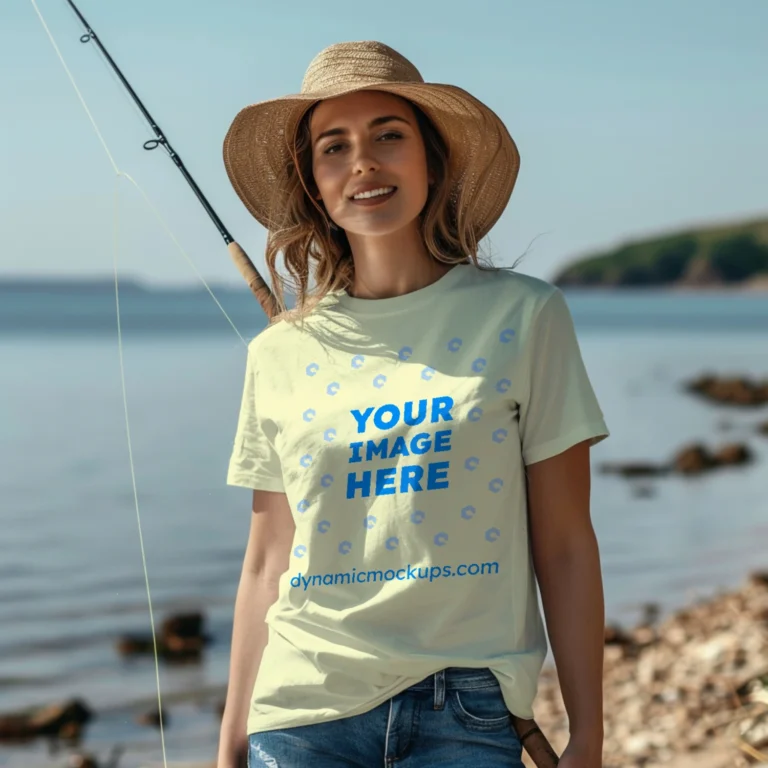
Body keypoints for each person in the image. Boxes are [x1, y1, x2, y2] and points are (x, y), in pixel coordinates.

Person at [217, 40, 609, 768]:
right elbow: (266, 563)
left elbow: (565, 544)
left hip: (466, 709)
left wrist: (588, 732)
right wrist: (230, 743)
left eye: (388, 136)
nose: (362, 162)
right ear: (315, 185)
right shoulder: (277, 353)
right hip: (302, 709)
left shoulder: (524, 317)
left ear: (432, 159)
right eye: (334, 147)